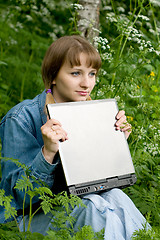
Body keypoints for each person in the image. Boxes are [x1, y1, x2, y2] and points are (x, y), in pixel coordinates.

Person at [0, 35, 148, 239]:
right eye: (75, 73)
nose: (86, 83)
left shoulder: (93, 113)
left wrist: (116, 143)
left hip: (79, 204)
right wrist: (48, 153)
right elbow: (19, 197)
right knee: (94, 209)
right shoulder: (21, 118)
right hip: (29, 217)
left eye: (92, 73)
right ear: (53, 76)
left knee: (116, 197)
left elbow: (98, 185)